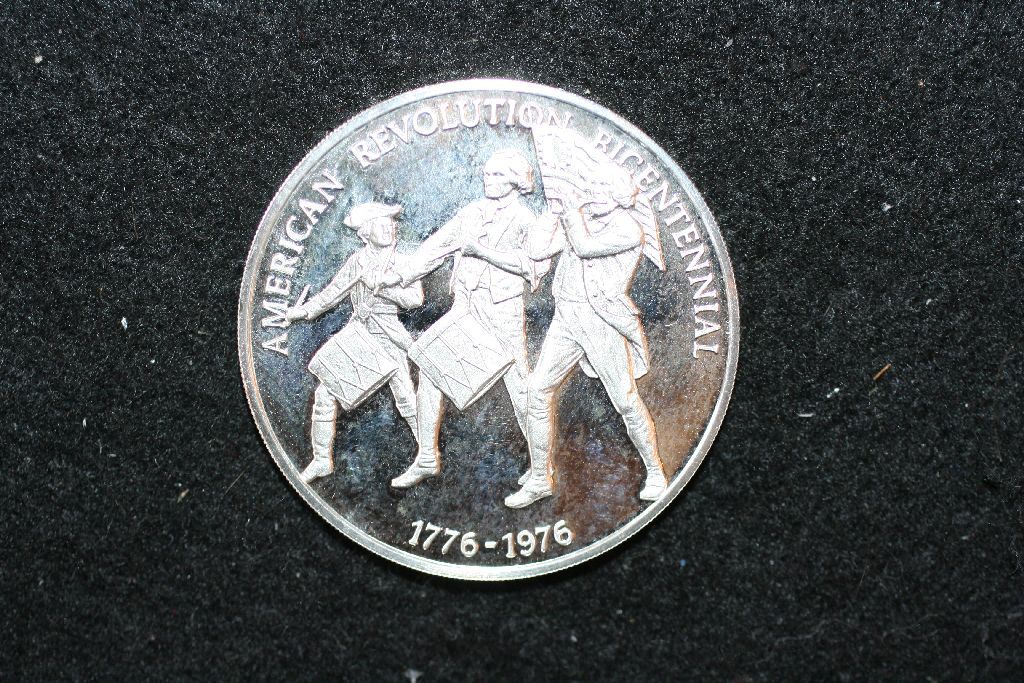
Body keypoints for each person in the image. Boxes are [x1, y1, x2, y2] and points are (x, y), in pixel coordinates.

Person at [504, 166, 668, 509]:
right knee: (537, 390)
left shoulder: (627, 228)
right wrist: (552, 212)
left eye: (600, 187)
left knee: (625, 400)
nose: (592, 193)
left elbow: (584, 247)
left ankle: (656, 472)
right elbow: (537, 251)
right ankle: (540, 479)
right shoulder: (583, 219)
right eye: (590, 187)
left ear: (618, 194)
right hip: (566, 318)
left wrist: (570, 213)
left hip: (601, 323)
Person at [388, 149, 552, 488]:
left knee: (520, 388)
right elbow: (438, 245)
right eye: (486, 174)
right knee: (430, 370)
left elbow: (534, 267)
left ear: (515, 181)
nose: (488, 180)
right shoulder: (472, 212)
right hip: (465, 306)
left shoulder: (526, 220)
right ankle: (427, 457)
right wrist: (402, 275)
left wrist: (484, 252)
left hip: (501, 311)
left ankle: (542, 469)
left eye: (497, 175)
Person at [285, 202, 423, 484]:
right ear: (365, 233)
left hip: (387, 334)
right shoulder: (357, 261)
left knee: (406, 398)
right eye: (381, 224)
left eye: (391, 223)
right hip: (359, 332)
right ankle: (321, 460)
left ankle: (427, 455)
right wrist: (301, 312)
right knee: (325, 393)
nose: (389, 228)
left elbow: (415, 300)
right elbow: (331, 294)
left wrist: (383, 288)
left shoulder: (405, 262)